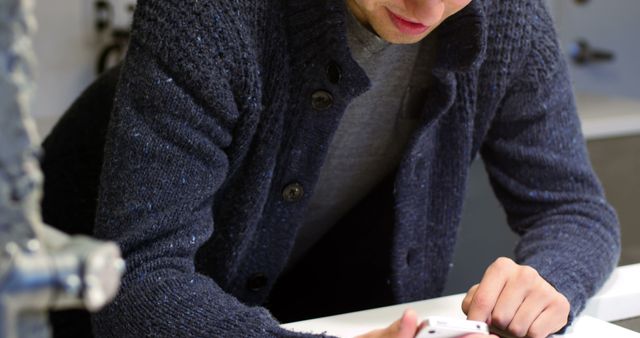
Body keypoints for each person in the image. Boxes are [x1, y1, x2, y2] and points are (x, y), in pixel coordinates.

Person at [40, 0, 621, 337]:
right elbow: (137, 280)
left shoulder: (509, 22)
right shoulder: (211, 13)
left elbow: (574, 208)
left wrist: (550, 281)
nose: (426, 8)